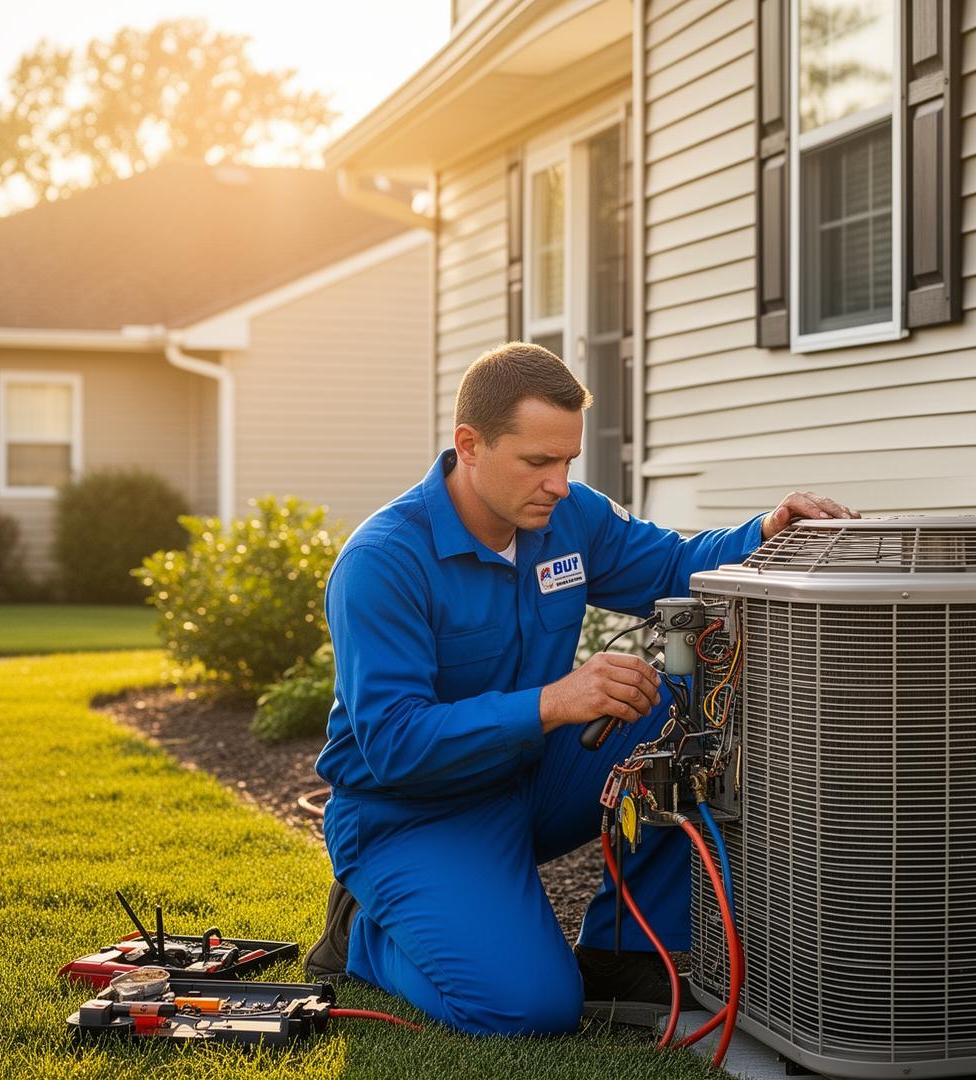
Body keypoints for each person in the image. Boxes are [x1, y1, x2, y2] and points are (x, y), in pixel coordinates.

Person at [305, 342, 856, 1035]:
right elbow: (394, 745)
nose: (558, 482)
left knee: (674, 703)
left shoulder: (570, 517)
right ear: (468, 446)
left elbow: (678, 565)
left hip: (528, 780)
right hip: (413, 812)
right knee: (530, 1008)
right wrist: (555, 701)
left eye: (566, 461)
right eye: (537, 461)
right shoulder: (384, 562)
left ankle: (619, 948)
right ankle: (366, 931)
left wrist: (767, 531)